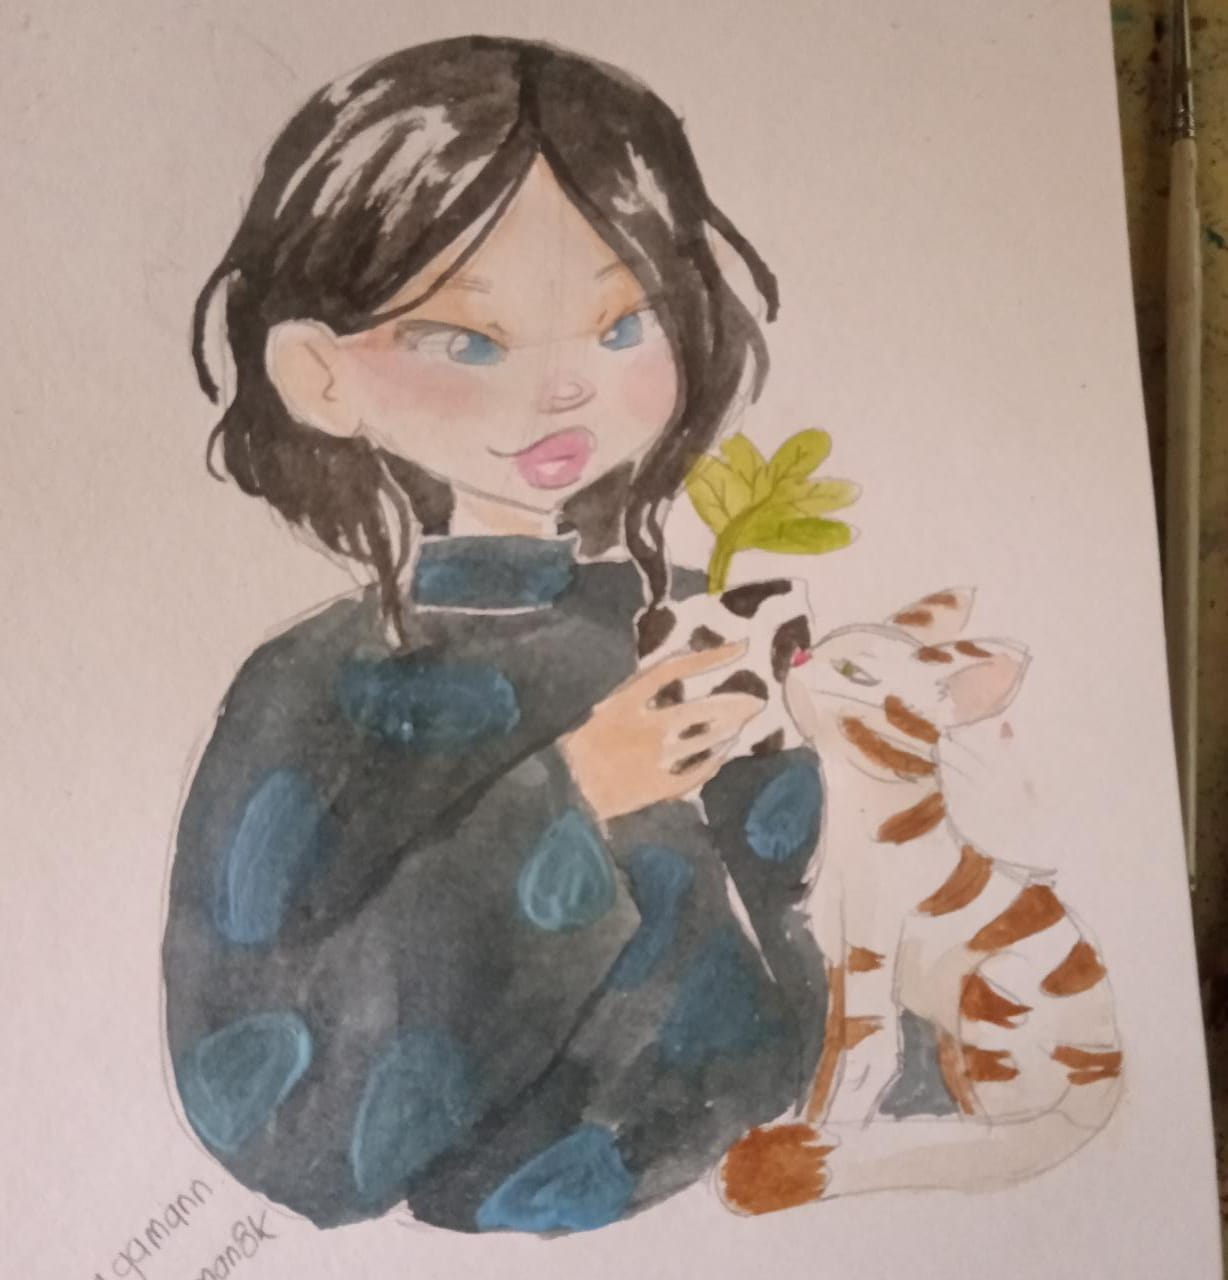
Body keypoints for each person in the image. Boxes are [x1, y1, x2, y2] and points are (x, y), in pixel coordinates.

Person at [162, 35, 830, 1235]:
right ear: (320, 376)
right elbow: (270, 1112)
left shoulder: (695, 617)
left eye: (621, 323)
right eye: (468, 341)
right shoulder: (310, 685)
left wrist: (837, 748)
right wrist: (577, 796)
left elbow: (818, 935)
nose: (565, 387)